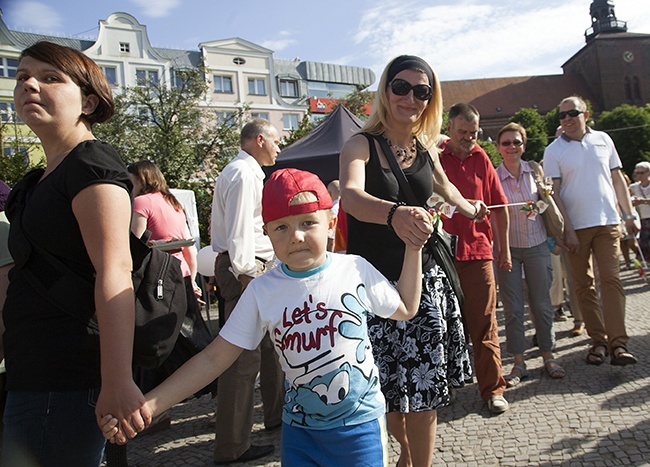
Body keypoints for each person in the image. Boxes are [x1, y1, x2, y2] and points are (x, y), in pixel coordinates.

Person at [100, 168, 424, 466]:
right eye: (282, 227)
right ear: (267, 233)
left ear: (330, 223)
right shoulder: (261, 290)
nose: (295, 236)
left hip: (359, 429)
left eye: (307, 223)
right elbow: (214, 359)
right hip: (300, 435)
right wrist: (148, 406)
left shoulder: (354, 269)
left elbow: (406, 308)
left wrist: (414, 249)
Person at [1, 41, 150, 466]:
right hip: (29, 371)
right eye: (22, 76)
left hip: (71, 376)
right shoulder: (32, 183)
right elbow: (16, 279)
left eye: (50, 77)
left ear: (87, 100)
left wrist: (117, 379)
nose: (29, 84)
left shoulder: (92, 164)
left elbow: (116, 270)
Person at [340, 55, 486, 467]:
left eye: (422, 91)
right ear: (385, 91)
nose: (411, 98)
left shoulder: (425, 147)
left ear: (430, 99)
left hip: (423, 282)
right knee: (383, 387)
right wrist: (394, 213)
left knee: (423, 391)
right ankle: (404, 451)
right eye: (401, 87)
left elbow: (448, 191)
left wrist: (473, 209)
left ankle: (418, 462)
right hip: (372, 284)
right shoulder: (359, 144)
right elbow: (350, 196)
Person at [209, 118, 285, 464]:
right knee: (241, 360)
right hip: (247, 271)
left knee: (269, 350)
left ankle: (276, 417)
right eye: (276, 141)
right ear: (259, 140)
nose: (279, 148)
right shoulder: (244, 173)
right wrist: (248, 277)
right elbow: (241, 232)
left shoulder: (245, 171)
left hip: (252, 269)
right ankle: (232, 446)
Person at [543, 96, 639, 366]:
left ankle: (618, 343)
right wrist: (568, 229)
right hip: (576, 228)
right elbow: (555, 194)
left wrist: (629, 214)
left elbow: (617, 179)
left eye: (572, 113)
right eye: (561, 116)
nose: (566, 119)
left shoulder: (604, 140)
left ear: (586, 114)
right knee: (583, 285)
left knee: (611, 281)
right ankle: (598, 341)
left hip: (608, 222)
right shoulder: (553, 151)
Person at [438, 102, 511, 414]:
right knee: (441, 326)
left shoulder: (482, 157)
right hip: (441, 254)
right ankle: (442, 388)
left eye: (474, 132)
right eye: (463, 132)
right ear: (450, 128)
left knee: (484, 324)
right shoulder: (435, 157)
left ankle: (493, 389)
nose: (469, 138)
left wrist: (503, 249)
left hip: (478, 252)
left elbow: (500, 206)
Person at [494, 123, 565, 386]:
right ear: (499, 147)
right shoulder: (494, 176)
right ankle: (518, 362)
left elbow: (547, 204)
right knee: (513, 309)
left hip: (536, 245)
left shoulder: (534, 171)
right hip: (508, 249)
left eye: (517, 142)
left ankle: (549, 355)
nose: (512, 147)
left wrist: (537, 205)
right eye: (506, 143)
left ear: (524, 145)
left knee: (542, 304)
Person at [629, 161, 650, 263]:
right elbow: (625, 200)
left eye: (642, 173)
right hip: (643, 220)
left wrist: (643, 201)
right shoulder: (633, 187)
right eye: (637, 173)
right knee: (645, 247)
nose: (639, 175)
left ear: (648, 173)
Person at [326, 180, 340, 252]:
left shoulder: (332, 211)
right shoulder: (350, 208)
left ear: (329, 194)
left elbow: (332, 236)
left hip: (339, 251)